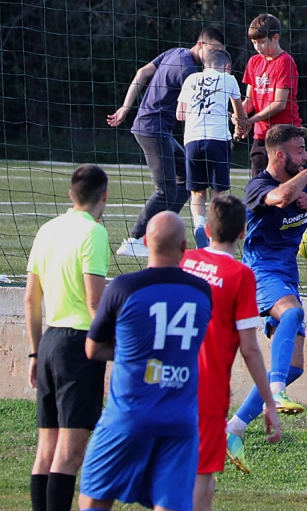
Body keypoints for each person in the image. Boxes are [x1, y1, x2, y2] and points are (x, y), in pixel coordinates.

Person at [78, 211, 212, 511]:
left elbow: (93, 348)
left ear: (145, 243)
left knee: (94, 497)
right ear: (183, 246)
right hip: (180, 419)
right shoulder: (202, 292)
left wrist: (131, 353)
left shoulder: (124, 288)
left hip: (128, 415)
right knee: (170, 504)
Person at [225, 124, 307, 465]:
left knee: (295, 366)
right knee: (293, 314)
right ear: (280, 155)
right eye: (299, 152)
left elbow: (302, 218)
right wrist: (305, 177)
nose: (306, 157)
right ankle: (276, 391)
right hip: (261, 274)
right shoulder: (259, 186)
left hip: (287, 277)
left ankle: (233, 428)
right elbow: (279, 198)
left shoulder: (296, 188)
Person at [180, 195, 281, 506]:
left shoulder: (186, 261)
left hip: (168, 382)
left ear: (207, 229)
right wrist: (269, 402)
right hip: (206, 391)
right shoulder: (239, 276)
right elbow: (250, 349)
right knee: (202, 476)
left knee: (173, 470)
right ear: (242, 233)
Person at [24, 165, 111, 511]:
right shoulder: (94, 233)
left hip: (48, 344)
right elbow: (95, 302)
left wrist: (34, 353)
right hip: (78, 347)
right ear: (104, 195)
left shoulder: (47, 229)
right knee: (69, 454)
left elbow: (31, 298)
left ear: (71, 194)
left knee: (45, 452)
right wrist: (111, 345)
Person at [108, 26, 227, 257]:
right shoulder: (189, 70)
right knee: (165, 189)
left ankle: (160, 235)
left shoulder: (174, 52)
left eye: (220, 53)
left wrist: (126, 106)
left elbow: (142, 72)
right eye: (214, 50)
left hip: (158, 129)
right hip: (153, 130)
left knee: (185, 180)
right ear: (201, 45)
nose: (215, 57)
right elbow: (197, 108)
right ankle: (135, 240)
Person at [176, 49, 248, 248]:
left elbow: (180, 114)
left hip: (192, 140)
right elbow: (240, 113)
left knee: (197, 193)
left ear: (205, 65)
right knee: (219, 193)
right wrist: (239, 128)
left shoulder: (191, 79)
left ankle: (199, 228)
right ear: (227, 67)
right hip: (217, 140)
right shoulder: (229, 79)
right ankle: (215, 233)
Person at [235, 14, 302, 178]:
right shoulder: (253, 62)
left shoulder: (285, 61)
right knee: (260, 187)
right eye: (254, 42)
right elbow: (249, 101)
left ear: (275, 38)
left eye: (262, 41)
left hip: (285, 135)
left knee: (289, 189)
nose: (258, 47)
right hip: (261, 136)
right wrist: (239, 118)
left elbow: (280, 103)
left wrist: (250, 120)